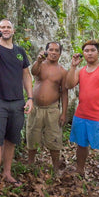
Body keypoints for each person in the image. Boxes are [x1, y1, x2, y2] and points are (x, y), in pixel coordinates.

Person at [0, 19, 33, 192]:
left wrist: (30, 98)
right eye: (2, 27)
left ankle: (7, 173)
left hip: (17, 102)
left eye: (8, 27)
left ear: (13, 30)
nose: (5, 29)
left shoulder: (20, 51)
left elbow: (26, 75)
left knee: (11, 140)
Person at [65, 40, 99, 190]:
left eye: (92, 50)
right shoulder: (80, 71)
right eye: (86, 51)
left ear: (98, 52)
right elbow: (69, 85)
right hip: (81, 115)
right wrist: (73, 66)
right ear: (83, 54)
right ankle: (80, 169)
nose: (89, 53)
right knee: (81, 145)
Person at [26, 41, 68, 171]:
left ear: (60, 54)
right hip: (36, 108)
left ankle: (55, 167)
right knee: (32, 136)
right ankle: (31, 164)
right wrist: (38, 61)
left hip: (52, 109)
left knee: (54, 138)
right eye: (51, 50)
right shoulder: (40, 65)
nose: (53, 53)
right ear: (46, 51)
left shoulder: (62, 71)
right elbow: (33, 72)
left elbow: (64, 92)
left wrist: (64, 113)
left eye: (57, 50)